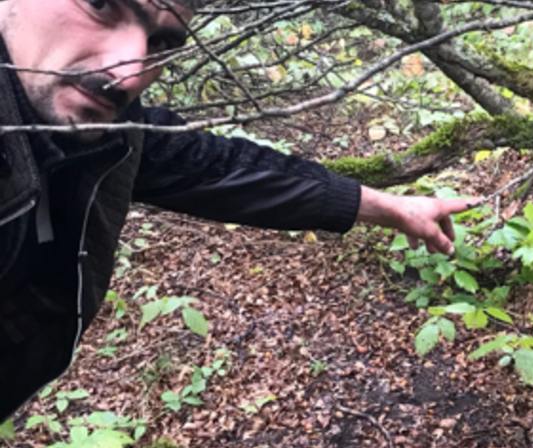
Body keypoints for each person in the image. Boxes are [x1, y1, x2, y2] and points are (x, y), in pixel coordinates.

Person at [0, 0, 474, 420]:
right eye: (102, 5)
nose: (129, 70)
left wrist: (392, 207)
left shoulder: (117, 132)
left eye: (161, 41)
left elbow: (215, 168)